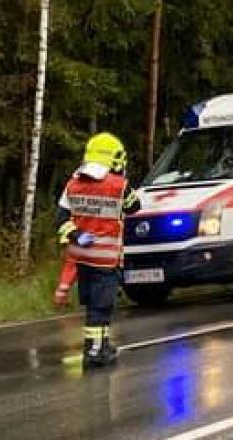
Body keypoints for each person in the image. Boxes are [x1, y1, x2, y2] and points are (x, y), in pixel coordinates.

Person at [54, 133, 142, 369]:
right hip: (106, 259)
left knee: (95, 304)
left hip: (81, 256)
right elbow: (134, 207)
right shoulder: (119, 186)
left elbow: (61, 218)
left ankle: (101, 345)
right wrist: (123, 180)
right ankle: (94, 351)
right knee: (101, 307)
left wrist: (76, 235)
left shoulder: (72, 183)